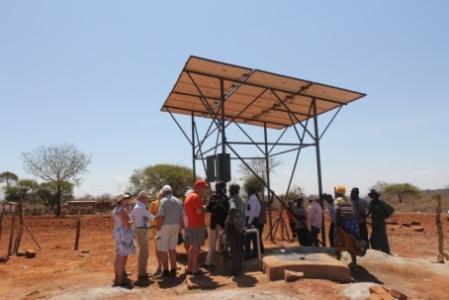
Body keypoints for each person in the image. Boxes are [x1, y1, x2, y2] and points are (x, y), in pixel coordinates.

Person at [156, 185, 184, 278]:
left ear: (164, 192)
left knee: (163, 250)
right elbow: (181, 217)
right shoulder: (179, 201)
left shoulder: (163, 201)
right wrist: (179, 230)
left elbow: (161, 216)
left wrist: (159, 227)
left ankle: (165, 270)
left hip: (165, 227)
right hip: (175, 226)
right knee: (172, 249)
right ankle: (173, 269)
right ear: (171, 191)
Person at [184, 179, 209, 275]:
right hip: (197, 225)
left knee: (192, 247)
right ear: (199, 188)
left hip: (191, 224)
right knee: (196, 248)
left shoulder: (189, 196)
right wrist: (205, 208)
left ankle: (190, 268)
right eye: (204, 188)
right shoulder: (196, 197)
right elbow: (199, 211)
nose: (205, 190)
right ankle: (194, 269)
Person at [334, 185, 361, 265]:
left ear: (337, 192)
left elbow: (337, 213)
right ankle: (354, 263)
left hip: (344, 224)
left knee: (338, 241)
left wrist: (336, 226)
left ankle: (338, 262)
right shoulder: (348, 200)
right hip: (353, 224)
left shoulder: (338, 200)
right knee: (352, 243)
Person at [204, 181, 229, 267]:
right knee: (223, 243)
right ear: (223, 188)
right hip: (221, 224)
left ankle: (209, 262)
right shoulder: (225, 198)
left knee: (212, 244)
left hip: (213, 223)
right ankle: (222, 263)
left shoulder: (213, 197)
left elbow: (208, 209)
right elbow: (227, 211)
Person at [112, 193, 135, 287]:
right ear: (121, 200)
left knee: (119, 256)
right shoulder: (122, 210)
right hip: (123, 234)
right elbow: (126, 224)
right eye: (125, 198)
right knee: (121, 257)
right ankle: (120, 280)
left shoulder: (117, 209)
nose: (127, 200)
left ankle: (118, 278)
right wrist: (133, 221)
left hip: (119, 234)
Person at [132, 191, 155, 281]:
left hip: (140, 229)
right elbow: (151, 217)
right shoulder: (141, 207)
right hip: (142, 229)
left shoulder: (137, 206)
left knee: (143, 251)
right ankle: (142, 273)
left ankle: (143, 271)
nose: (148, 199)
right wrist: (156, 216)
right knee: (144, 252)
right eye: (146, 197)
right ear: (142, 198)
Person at [225, 183, 244, 275]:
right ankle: (239, 267)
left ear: (232, 191)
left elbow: (233, 209)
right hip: (239, 226)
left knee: (233, 248)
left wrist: (229, 220)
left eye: (230, 190)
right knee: (238, 247)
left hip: (232, 226)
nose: (229, 191)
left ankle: (234, 270)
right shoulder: (240, 199)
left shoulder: (232, 199)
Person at [368, 189, 394, 254]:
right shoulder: (371, 203)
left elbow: (391, 209)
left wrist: (385, 216)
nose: (373, 196)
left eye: (374, 194)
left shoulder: (381, 203)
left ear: (377, 195)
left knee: (383, 240)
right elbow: (369, 211)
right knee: (372, 240)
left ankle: (387, 254)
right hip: (374, 225)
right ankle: (377, 253)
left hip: (381, 224)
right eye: (372, 195)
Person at [244, 187, 261, 259]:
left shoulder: (253, 199)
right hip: (254, 219)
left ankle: (248, 255)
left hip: (251, 220)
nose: (247, 193)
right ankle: (255, 253)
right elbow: (258, 209)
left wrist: (249, 222)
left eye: (248, 191)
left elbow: (252, 211)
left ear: (250, 191)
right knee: (254, 238)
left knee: (247, 238)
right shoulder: (254, 198)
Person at [149, 191, 163, 276]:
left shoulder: (167, 203)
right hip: (156, 229)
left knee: (166, 247)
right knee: (158, 248)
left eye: (163, 195)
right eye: (160, 195)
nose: (161, 196)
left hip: (165, 229)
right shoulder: (154, 204)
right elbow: (151, 216)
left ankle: (168, 266)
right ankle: (159, 266)